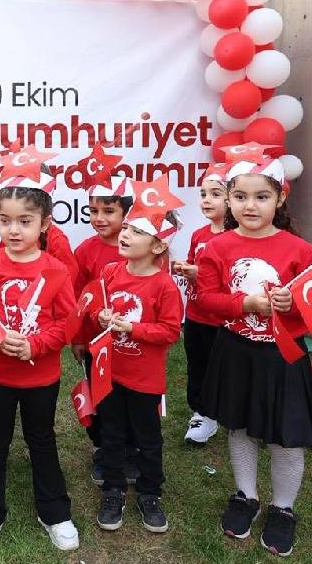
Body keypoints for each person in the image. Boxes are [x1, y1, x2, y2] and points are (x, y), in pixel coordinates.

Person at [195, 150, 312, 557]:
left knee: (287, 438)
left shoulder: (300, 249)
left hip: (283, 356)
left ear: (280, 198)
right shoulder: (216, 247)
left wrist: (292, 305)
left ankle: (283, 509)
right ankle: (246, 495)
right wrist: (244, 305)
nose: (251, 206)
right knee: (240, 427)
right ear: (229, 200)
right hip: (236, 352)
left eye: (262, 197)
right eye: (241, 197)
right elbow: (207, 299)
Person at [0, 166, 79, 556]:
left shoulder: (56, 271)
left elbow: (68, 322)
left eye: (24, 222)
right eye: (5, 220)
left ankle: (54, 511)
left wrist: (37, 345)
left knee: (41, 440)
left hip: (41, 378)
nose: (13, 230)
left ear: (45, 223)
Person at [88, 204, 183, 534]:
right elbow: (96, 306)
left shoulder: (164, 286)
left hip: (145, 379)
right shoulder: (111, 272)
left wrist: (133, 329)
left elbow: (170, 331)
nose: (125, 234)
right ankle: (113, 490)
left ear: (157, 246)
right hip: (110, 372)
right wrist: (100, 316)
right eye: (126, 227)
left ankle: (150, 491)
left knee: (148, 438)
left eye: (137, 231)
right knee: (110, 433)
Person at [70, 158, 135, 484]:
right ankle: (105, 450)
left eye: (108, 211)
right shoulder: (84, 251)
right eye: (94, 211)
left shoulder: (141, 249)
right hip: (98, 344)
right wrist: (79, 338)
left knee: (133, 397)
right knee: (102, 397)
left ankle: (133, 448)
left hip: (135, 344)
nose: (99, 218)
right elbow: (77, 301)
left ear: (126, 213)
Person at [171, 162, 229, 446]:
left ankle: (230, 411)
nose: (206, 199)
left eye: (215, 193)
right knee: (198, 365)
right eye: (204, 193)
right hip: (195, 315)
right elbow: (196, 269)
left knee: (226, 368)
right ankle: (202, 412)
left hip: (225, 320)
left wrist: (199, 274)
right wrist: (186, 268)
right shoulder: (199, 235)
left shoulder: (236, 239)